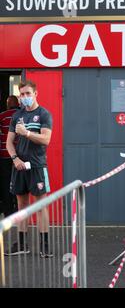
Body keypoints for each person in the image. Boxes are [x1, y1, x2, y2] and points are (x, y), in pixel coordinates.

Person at [5, 80, 54, 258]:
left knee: (41, 206)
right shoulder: (17, 116)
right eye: (22, 94)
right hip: (19, 167)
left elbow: (46, 140)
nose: (25, 97)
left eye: (28, 94)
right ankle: (22, 244)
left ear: (35, 94)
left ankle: (45, 245)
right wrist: (15, 158)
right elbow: (9, 142)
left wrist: (27, 133)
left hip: (37, 166)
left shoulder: (43, 114)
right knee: (22, 205)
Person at [0, 96, 19, 217]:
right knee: (19, 182)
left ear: (8, 104)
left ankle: (7, 211)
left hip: (4, 154)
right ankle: (17, 209)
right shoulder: (23, 114)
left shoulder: (2, 116)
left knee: (6, 183)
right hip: (19, 155)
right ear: (17, 104)